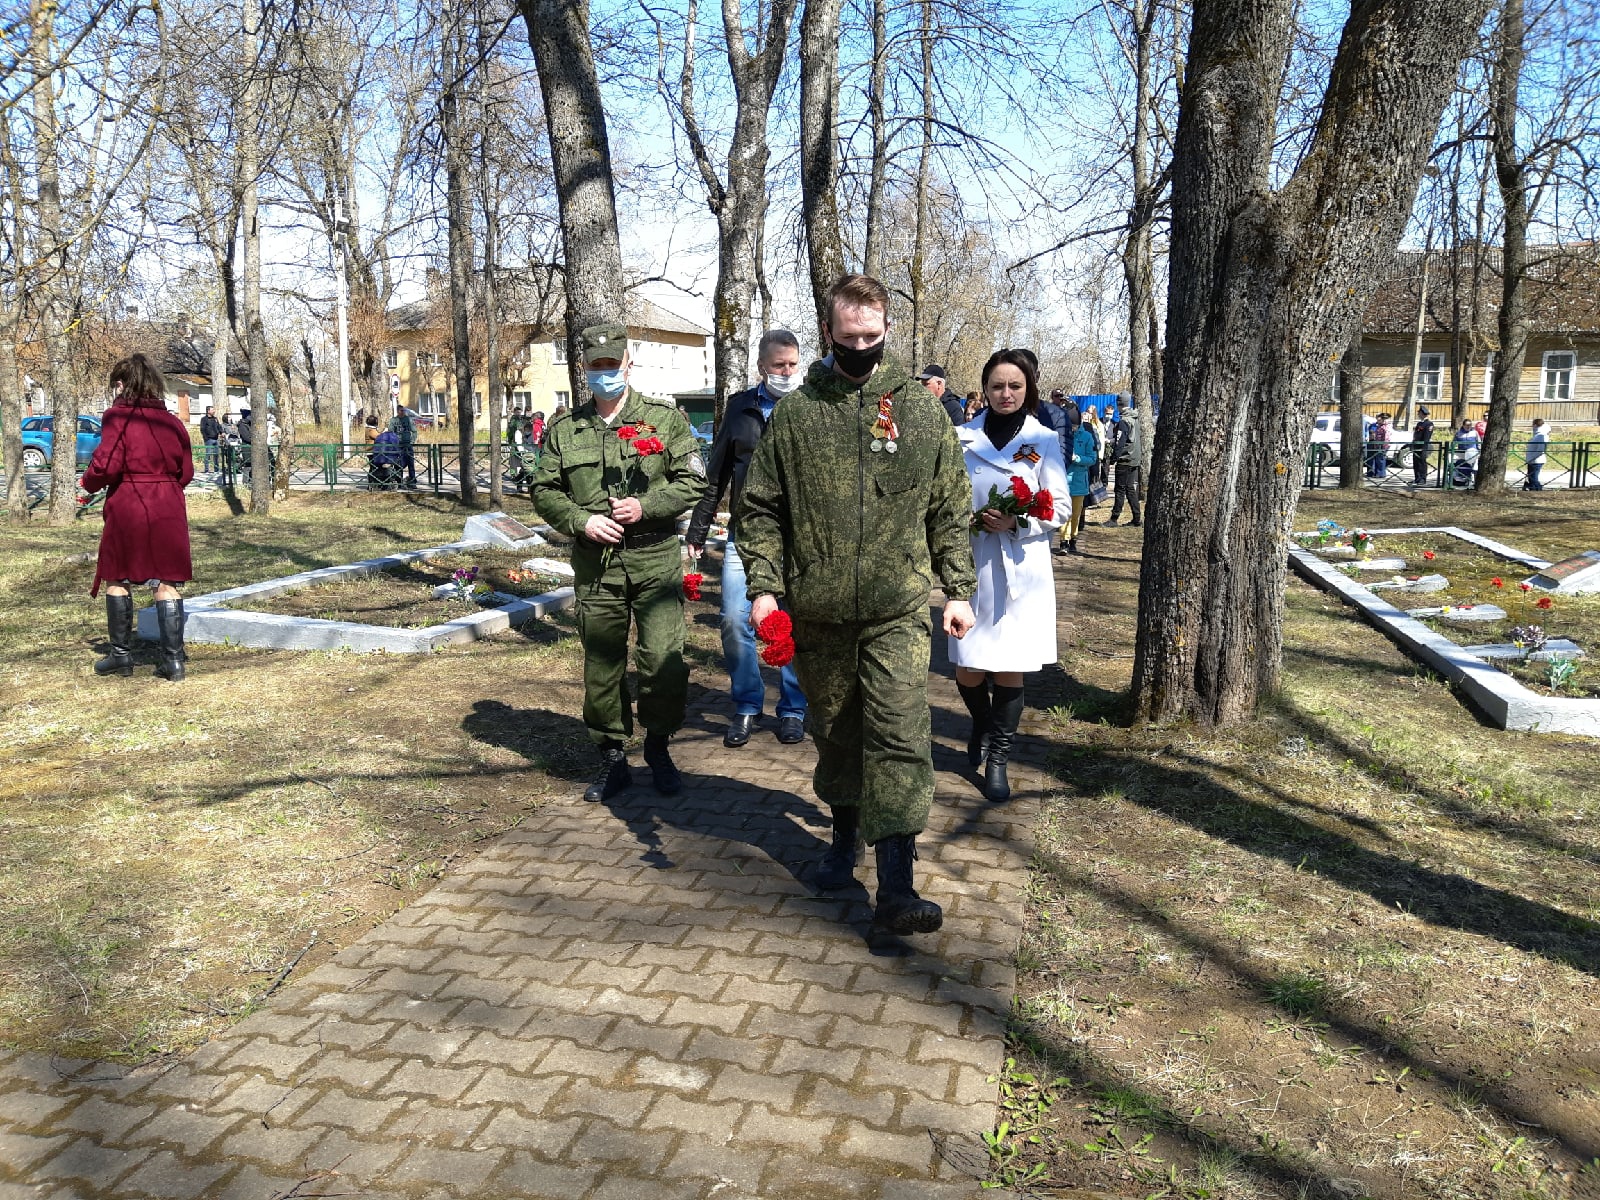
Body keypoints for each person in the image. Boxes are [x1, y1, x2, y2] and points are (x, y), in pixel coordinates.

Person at [737, 274, 976, 935]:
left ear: (887, 331)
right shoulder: (797, 415)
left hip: (896, 609)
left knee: (900, 732)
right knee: (837, 733)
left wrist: (958, 590)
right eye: (849, 338)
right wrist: (763, 588)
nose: (862, 348)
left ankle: (897, 882)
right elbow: (759, 509)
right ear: (829, 334)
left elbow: (949, 506)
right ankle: (844, 837)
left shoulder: (922, 412)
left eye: (872, 337)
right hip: (816, 613)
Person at [532, 321, 705, 803]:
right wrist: (580, 521)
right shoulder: (567, 429)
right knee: (603, 665)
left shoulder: (663, 419)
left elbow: (692, 481)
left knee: (663, 662)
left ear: (629, 364)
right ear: (585, 369)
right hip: (598, 566)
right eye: (597, 367)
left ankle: (658, 745)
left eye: (613, 365)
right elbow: (544, 490)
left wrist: (645, 507)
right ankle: (612, 756)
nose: (606, 374)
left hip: (655, 560)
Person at [952, 350, 1068, 802]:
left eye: (1015, 386)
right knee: (966, 665)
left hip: (1023, 566)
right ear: (985, 389)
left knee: (1009, 668)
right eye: (997, 386)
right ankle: (982, 722)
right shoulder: (962, 437)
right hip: (974, 561)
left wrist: (1017, 522)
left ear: (1028, 389)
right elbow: (945, 497)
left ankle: (999, 756)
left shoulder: (1044, 440)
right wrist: (967, 518)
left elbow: (1057, 506)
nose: (1006, 394)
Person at [686, 329, 809, 748]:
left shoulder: (812, 407)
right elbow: (717, 472)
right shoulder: (741, 408)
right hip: (747, 535)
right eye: (779, 365)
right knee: (735, 618)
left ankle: (793, 708)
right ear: (762, 367)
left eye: (793, 364)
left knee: (792, 623)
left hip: (799, 537)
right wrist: (698, 529)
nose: (787, 372)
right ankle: (746, 705)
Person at [79, 354, 195, 681]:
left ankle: (120, 655)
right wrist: (164, 485)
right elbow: (185, 471)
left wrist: (88, 483)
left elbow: (107, 465)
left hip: (129, 500)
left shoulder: (118, 417)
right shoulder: (172, 422)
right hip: (169, 503)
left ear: (120, 383)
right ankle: (173, 661)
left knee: (117, 575)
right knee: (168, 578)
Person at [1060, 416, 1098, 556]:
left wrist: (1077, 458)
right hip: (1063, 480)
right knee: (1064, 513)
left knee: (1075, 514)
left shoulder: (1087, 436)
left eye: (1074, 426)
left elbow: (1092, 458)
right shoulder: (1061, 435)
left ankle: (1073, 540)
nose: (1073, 429)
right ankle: (1063, 541)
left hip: (1079, 481)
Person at [1106, 407, 1142, 526]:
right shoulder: (1135, 419)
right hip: (1134, 459)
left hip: (1125, 459)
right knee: (1130, 489)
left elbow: (1120, 442)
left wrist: (1113, 459)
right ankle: (1137, 518)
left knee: (1120, 489)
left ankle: (1114, 518)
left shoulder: (1123, 422)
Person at [393, 403, 419, 488]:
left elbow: (414, 431)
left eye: (403, 410)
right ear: (397, 411)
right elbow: (391, 432)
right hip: (398, 445)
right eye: (401, 410)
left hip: (408, 445)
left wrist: (412, 441)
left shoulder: (409, 420)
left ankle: (412, 481)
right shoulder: (393, 420)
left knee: (410, 463)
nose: (403, 412)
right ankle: (398, 482)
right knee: (398, 464)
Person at [1411, 406, 1435, 487]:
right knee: (1416, 463)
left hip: (1422, 446)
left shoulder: (1429, 424)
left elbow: (1426, 437)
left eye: (1419, 413)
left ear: (1422, 414)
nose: (1418, 414)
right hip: (1416, 446)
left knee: (1422, 463)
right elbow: (1416, 435)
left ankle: (1422, 478)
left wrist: (1423, 447)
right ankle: (1417, 478)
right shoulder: (1419, 423)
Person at [1452, 420, 1480, 488]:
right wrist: (1453, 450)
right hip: (1462, 453)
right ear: (1463, 425)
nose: (1468, 426)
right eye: (1467, 425)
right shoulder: (1459, 433)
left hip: (1473, 453)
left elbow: (1478, 442)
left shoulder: (1475, 433)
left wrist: (1479, 451)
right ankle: (1458, 480)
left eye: (1470, 425)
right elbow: (1454, 443)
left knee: (1475, 467)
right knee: (1457, 464)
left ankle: (1475, 482)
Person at [1524, 418, 1549, 490]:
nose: (1532, 426)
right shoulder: (1537, 435)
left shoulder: (1540, 436)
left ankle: (1538, 490)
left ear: (1535, 425)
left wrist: (1531, 457)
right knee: (1531, 478)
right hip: (1533, 460)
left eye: (1533, 425)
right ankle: (1534, 490)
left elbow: (1540, 450)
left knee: (1533, 479)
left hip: (1536, 461)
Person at [1366, 413, 1392, 479]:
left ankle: (1381, 474)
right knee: (1378, 460)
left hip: (1382, 446)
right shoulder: (1379, 426)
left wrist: (1384, 446)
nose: (1381, 420)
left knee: (1381, 460)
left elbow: (1386, 438)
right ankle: (1377, 473)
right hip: (1377, 445)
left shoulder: (1386, 427)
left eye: (1383, 419)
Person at [200, 405, 223, 474]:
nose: (214, 411)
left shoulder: (215, 419)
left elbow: (218, 426)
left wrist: (221, 432)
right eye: (212, 410)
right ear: (208, 411)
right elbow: (202, 429)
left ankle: (216, 469)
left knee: (216, 454)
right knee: (208, 454)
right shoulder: (204, 419)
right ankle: (206, 469)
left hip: (216, 438)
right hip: (209, 439)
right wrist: (206, 438)